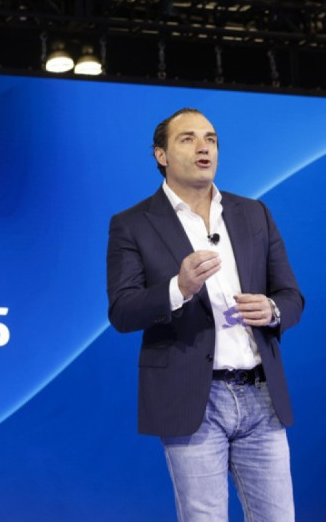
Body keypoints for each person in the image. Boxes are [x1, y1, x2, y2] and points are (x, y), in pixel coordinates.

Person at [107, 108, 304, 522]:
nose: (204, 147)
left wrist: (271, 309)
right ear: (161, 155)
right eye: (188, 138)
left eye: (210, 139)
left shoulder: (254, 213)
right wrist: (178, 288)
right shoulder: (132, 224)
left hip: (261, 394)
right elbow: (123, 311)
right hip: (193, 398)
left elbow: (291, 297)